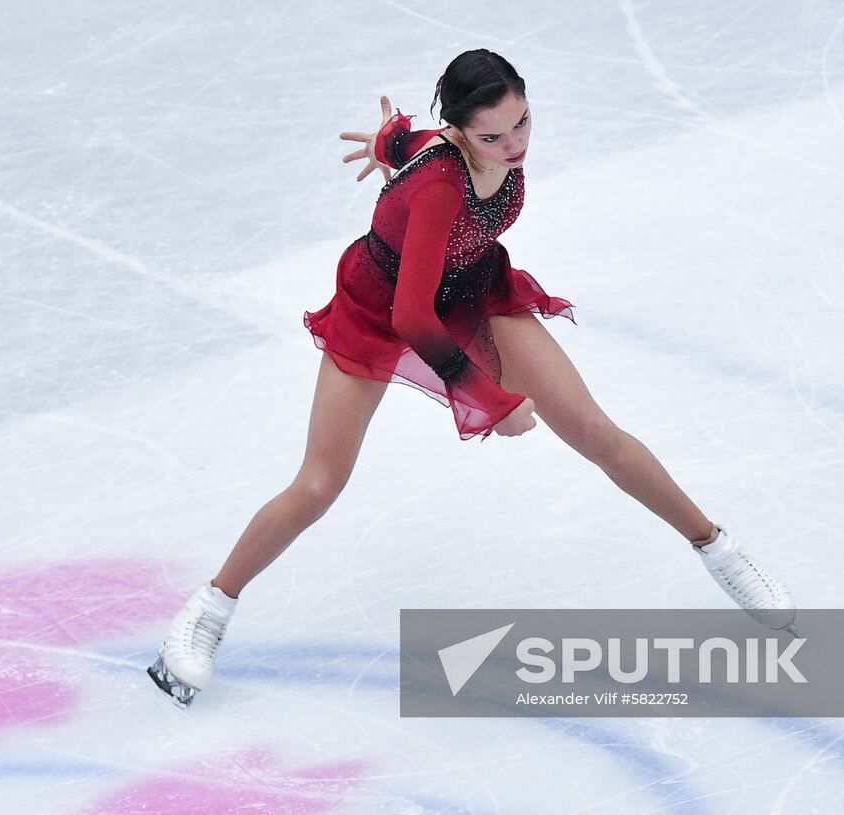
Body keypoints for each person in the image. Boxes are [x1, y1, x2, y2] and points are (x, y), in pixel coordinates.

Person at [147, 50, 796, 708]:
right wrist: (490, 399)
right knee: (319, 484)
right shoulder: (438, 185)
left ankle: (718, 549)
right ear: (458, 129)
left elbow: (404, 137)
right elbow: (409, 312)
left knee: (594, 428)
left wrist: (385, 141)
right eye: (493, 135)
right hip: (383, 310)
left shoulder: (461, 148)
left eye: (523, 123)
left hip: (473, 289)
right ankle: (209, 608)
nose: (514, 145)